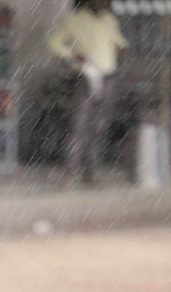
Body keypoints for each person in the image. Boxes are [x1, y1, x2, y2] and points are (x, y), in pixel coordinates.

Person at [47, 0, 128, 185]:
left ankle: (93, 172)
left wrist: (120, 49)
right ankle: (70, 172)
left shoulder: (109, 20)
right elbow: (54, 43)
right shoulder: (75, 21)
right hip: (86, 76)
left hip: (107, 76)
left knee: (99, 127)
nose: (106, 4)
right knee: (79, 125)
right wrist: (72, 55)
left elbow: (119, 41)